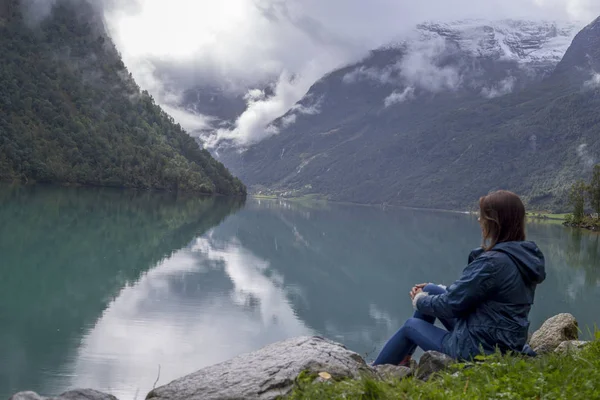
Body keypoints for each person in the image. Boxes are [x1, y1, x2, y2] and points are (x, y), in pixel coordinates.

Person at [373, 190, 546, 366]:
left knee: (410, 325)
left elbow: (451, 305)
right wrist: (432, 293)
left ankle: (373, 374)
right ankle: (402, 361)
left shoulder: (493, 263)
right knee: (431, 289)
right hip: (505, 338)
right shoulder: (520, 257)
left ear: (495, 222)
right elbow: (482, 298)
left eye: (483, 216)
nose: (479, 220)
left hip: (481, 348)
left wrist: (419, 300)